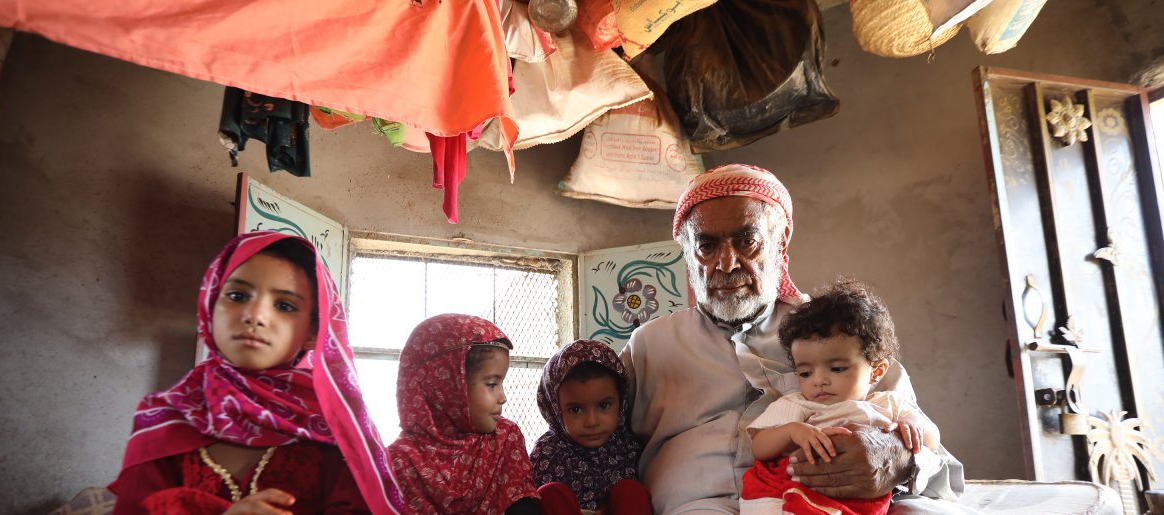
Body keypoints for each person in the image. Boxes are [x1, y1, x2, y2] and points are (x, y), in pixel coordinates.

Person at [619, 164, 966, 514]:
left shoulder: (837, 330)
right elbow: (586, 437)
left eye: (746, 241)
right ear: (687, 254)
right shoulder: (649, 345)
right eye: (706, 246)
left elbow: (936, 458)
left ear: (781, 241)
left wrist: (898, 457)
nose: (726, 264)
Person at [109, 231, 404, 514]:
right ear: (210, 306)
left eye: (285, 306)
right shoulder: (166, 414)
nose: (256, 315)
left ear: (314, 331)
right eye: (237, 296)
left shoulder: (336, 423)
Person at [741, 279, 940, 515]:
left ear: (876, 371)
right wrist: (792, 432)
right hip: (799, 491)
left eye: (837, 369)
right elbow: (760, 447)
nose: (818, 380)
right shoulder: (798, 404)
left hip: (862, 500)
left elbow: (931, 440)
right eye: (805, 373)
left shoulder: (888, 404)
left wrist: (912, 426)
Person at [387, 313, 540, 514]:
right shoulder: (399, 461)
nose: (503, 397)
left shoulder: (504, 439)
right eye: (492, 384)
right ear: (447, 386)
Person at [530, 340, 652, 515]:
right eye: (576, 409)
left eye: (604, 406)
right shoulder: (547, 453)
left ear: (621, 401)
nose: (592, 422)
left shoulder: (629, 447)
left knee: (631, 491)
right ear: (555, 409)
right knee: (549, 493)